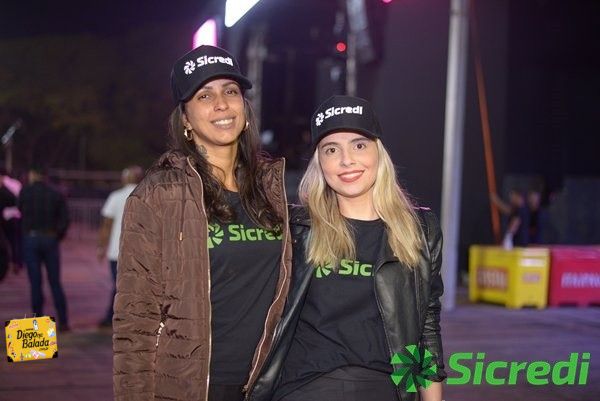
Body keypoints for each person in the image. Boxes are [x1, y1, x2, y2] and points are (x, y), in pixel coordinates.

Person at [113, 45, 291, 401]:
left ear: (244, 107)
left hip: (270, 382)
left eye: (231, 91)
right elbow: (135, 319)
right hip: (194, 386)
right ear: (185, 119)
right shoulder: (159, 195)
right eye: (204, 95)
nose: (221, 104)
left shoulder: (273, 189)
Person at [249, 96, 446, 401]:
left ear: (379, 153)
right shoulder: (295, 229)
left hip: (386, 388)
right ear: (320, 163)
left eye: (359, 145)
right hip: (306, 388)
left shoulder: (420, 229)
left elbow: (426, 329)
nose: (346, 160)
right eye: (331, 150)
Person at [18, 167, 70, 331]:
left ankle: (37, 325)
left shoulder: (25, 192)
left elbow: (20, 211)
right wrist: (57, 235)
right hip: (50, 238)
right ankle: (63, 322)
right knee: (55, 282)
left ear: (33, 175)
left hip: (31, 238)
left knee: (35, 283)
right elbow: (65, 219)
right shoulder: (55, 193)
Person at [96, 166, 143, 327]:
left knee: (118, 286)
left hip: (117, 251)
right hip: (139, 252)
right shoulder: (147, 197)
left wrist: (101, 247)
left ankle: (113, 316)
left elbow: (106, 225)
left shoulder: (115, 197)